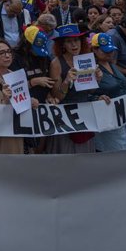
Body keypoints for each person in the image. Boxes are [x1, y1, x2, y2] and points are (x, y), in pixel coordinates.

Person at [47, 24, 102, 154]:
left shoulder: (86, 59)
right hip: (65, 118)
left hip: (84, 115)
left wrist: (97, 79)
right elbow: (57, 97)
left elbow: (90, 91)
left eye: (76, 40)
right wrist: (66, 81)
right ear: (62, 45)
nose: (74, 45)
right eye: (69, 41)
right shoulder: (56, 63)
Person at [89, 34, 126, 152]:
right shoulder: (90, 69)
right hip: (107, 120)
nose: (110, 53)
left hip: (123, 116)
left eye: (111, 50)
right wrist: (96, 98)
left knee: (124, 147)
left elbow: (117, 82)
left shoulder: (110, 63)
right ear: (94, 50)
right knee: (115, 153)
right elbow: (83, 95)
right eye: (105, 51)